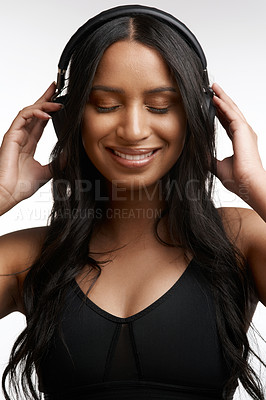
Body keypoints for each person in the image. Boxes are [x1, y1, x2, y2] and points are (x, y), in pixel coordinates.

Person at [0, 4, 265, 400]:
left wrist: (256, 187)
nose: (134, 130)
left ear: (196, 116)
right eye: (106, 104)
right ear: (70, 117)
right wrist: (2, 195)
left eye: (160, 105)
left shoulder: (240, 239)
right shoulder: (29, 257)